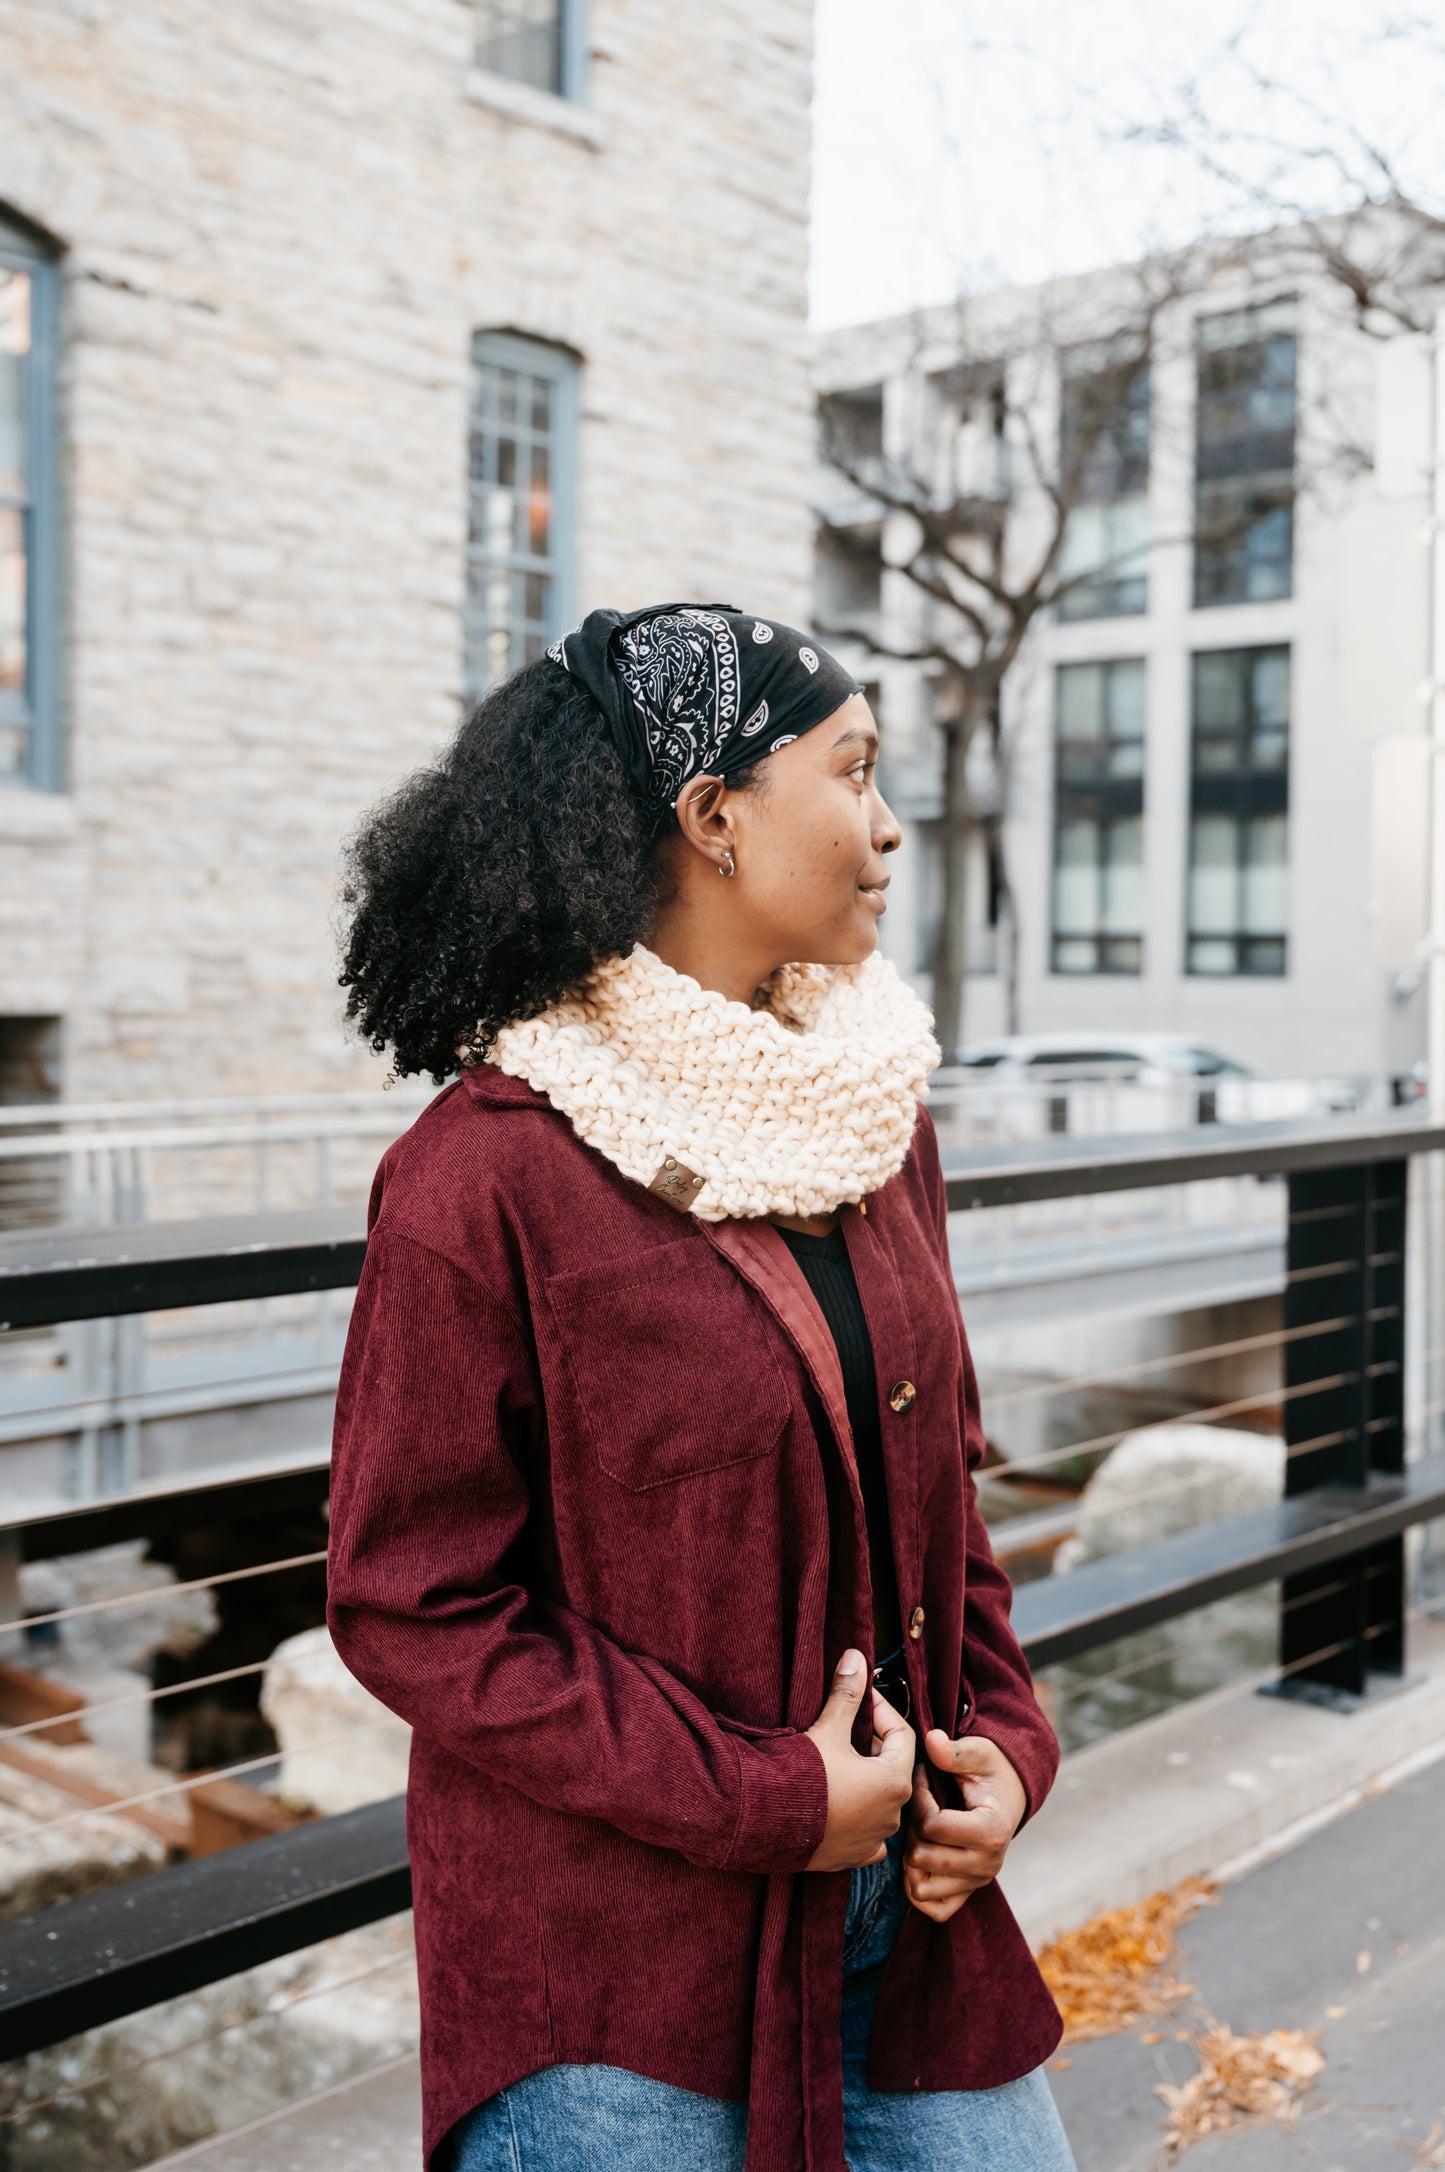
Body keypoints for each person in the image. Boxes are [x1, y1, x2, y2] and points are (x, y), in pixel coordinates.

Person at [327, 604, 1075, 2172]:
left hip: (916, 1936)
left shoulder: (873, 1119)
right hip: (620, 1991)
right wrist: (764, 1797)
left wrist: (1007, 1747)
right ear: (713, 815)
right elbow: (411, 1601)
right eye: (853, 772)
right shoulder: (486, 1173)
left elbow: (944, 1499)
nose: (885, 829)